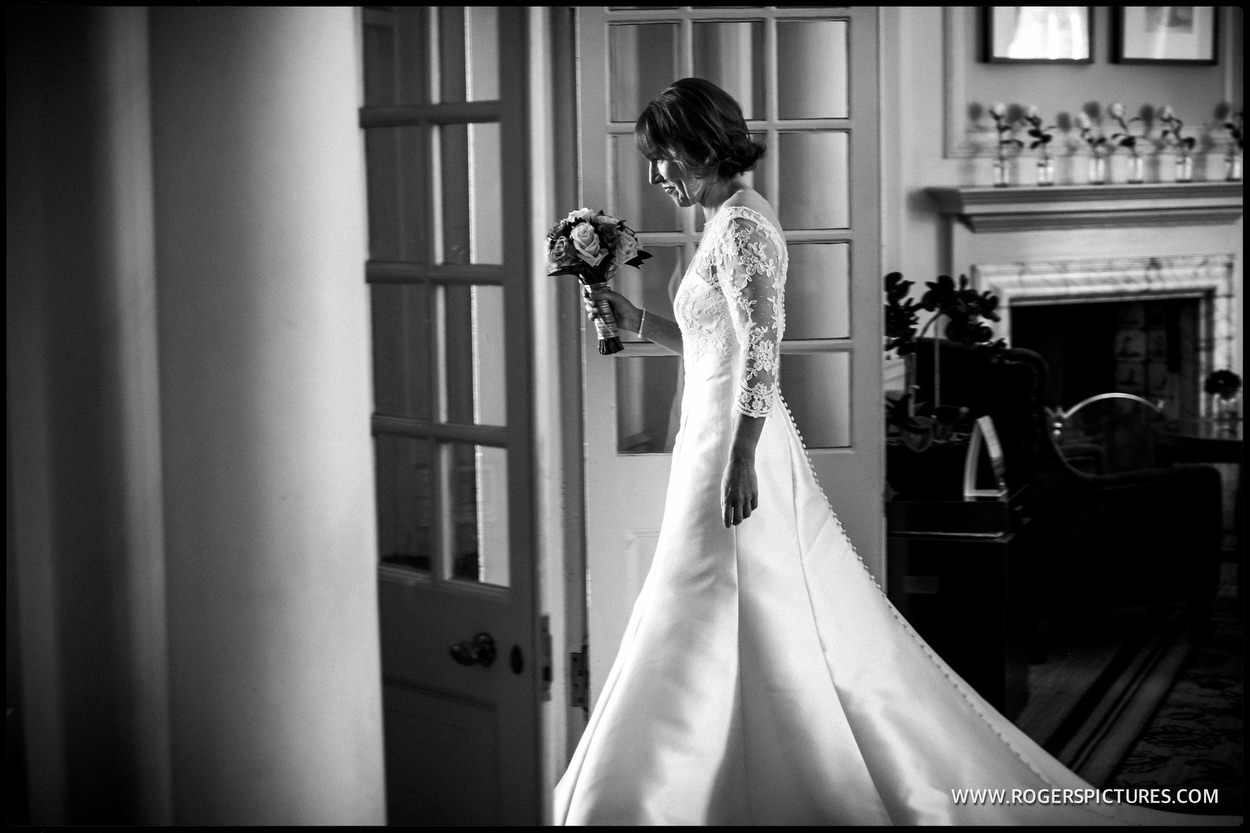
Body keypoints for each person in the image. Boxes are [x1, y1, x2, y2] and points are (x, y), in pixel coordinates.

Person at [553, 77, 1239, 826]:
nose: (655, 177)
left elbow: (761, 354)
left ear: (699, 146)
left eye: (662, 158)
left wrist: (743, 457)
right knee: (709, 601)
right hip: (709, 441)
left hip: (733, 445)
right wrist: (636, 318)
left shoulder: (745, 225)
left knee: (731, 597)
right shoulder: (719, 221)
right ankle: (718, 778)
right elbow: (709, 344)